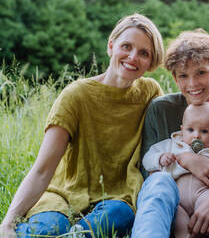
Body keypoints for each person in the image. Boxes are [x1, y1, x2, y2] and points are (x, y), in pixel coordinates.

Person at [0, 14, 165, 238]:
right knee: (49, 230)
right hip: (65, 193)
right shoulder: (75, 96)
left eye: (144, 53)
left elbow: (180, 123)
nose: (133, 57)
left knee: (111, 218)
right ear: (111, 46)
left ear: (151, 62)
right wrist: (8, 221)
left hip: (119, 198)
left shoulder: (150, 92)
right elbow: (43, 168)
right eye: (126, 46)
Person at [131, 29, 209, 238]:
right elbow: (148, 173)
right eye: (183, 75)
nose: (193, 83)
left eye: (201, 73)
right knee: (158, 183)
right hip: (169, 203)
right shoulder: (161, 110)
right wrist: (185, 159)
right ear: (175, 79)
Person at [142, 102, 209, 238]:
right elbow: (147, 159)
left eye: (204, 131)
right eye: (190, 130)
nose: (196, 136)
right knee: (180, 224)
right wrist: (160, 158)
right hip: (177, 199)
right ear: (182, 130)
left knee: (204, 222)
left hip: (204, 196)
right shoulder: (172, 145)